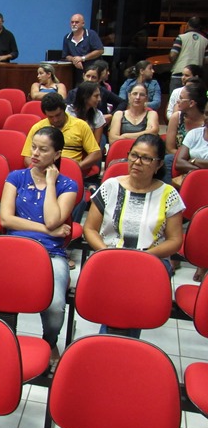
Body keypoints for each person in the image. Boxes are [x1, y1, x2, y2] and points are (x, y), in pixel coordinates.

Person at [84, 135, 185, 337]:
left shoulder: (168, 194)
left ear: (158, 164)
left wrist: (145, 256)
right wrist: (106, 253)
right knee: (118, 292)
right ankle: (117, 346)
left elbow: (175, 240)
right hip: (111, 256)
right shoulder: (111, 186)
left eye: (146, 158)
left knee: (128, 292)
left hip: (151, 259)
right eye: (134, 156)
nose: (137, 162)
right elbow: (90, 229)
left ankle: (110, 343)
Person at [0, 126, 77, 367]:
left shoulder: (68, 185)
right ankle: (5, 342)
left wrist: (51, 184)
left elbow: (54, 219)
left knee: (55, 306)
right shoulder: (16, 177)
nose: (35, 153)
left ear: (56, 154)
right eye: (34, 147)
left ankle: (49, 341)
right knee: (5, 297)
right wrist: (46, 229)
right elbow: (6, 219)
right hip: (17, 248)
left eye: (43, 150)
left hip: (50, 253)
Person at [22, 94, 101, 174]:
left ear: (64, 109)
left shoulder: (81, 125)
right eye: (51, 117)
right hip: (43, 172)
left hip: (71, 172)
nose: (55, 120)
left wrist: (78, 167)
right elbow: (27, 158)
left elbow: (96, 153)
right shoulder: (38, 128)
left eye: (58, 115)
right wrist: (41, 170)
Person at [173, 100, 208, 282]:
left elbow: (186, 161)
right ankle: (173, 256)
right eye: (207, 113)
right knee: (173, 212)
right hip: (191, 184)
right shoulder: (195, 134)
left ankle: (203, 263)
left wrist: (194, 162)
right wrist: (202, 167)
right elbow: (179, 162)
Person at [169, 17, 208, 92]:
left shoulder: (181, 38)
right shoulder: (206, 41)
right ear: (200, 27)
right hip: (195, 77)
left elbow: (172, 56)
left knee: (176, 100)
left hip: (179, 75)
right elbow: (206, 61)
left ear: (188, 25)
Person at [62, 14, 104, 81]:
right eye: (72, 22)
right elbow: (66, 55)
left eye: (77, 22)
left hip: (93, 72)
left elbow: (100, 50)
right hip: (77, 73)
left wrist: (82, 58)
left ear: (83, 23)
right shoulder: (67, 37)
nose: (74, 24)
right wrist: (74, 59)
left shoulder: (91, 34)